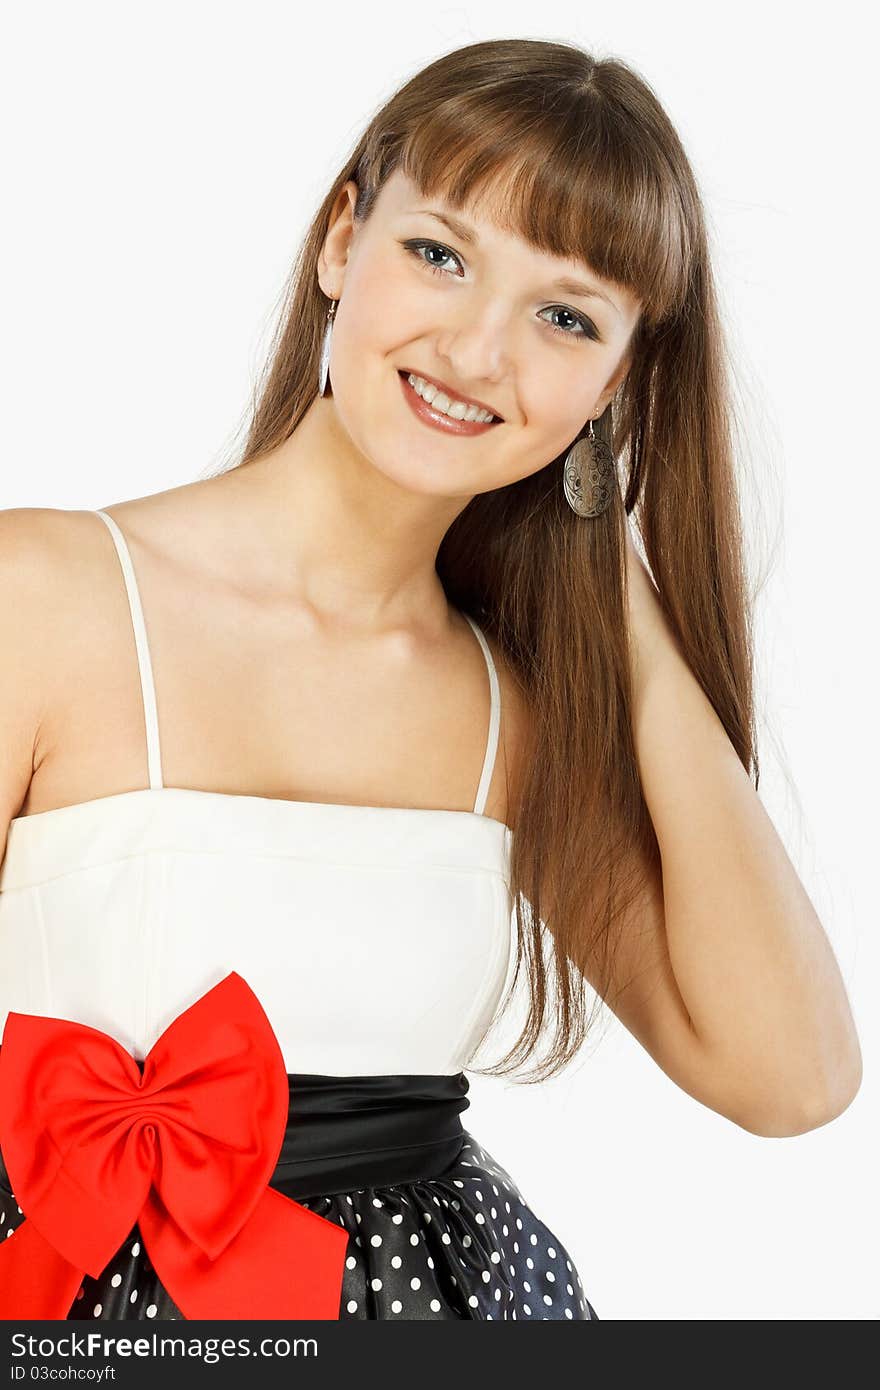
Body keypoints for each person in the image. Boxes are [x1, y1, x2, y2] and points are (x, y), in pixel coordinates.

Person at [0, 37, 861, 1322]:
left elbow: (789, 1077)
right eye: (441, 255)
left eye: (564, 317)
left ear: (617, 382)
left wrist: (613, 592)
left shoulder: (519, 711)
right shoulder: (46, 594)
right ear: (342, 239)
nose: (476, 348)